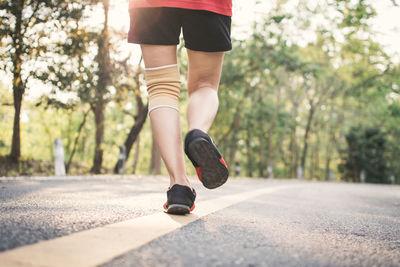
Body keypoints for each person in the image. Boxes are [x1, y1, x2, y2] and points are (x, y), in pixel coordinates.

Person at [128, 0, 232, 215]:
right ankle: (197, 134)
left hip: (150, 4)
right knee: (205, 84)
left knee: (161, 87)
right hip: (208, 4)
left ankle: (179, 187)